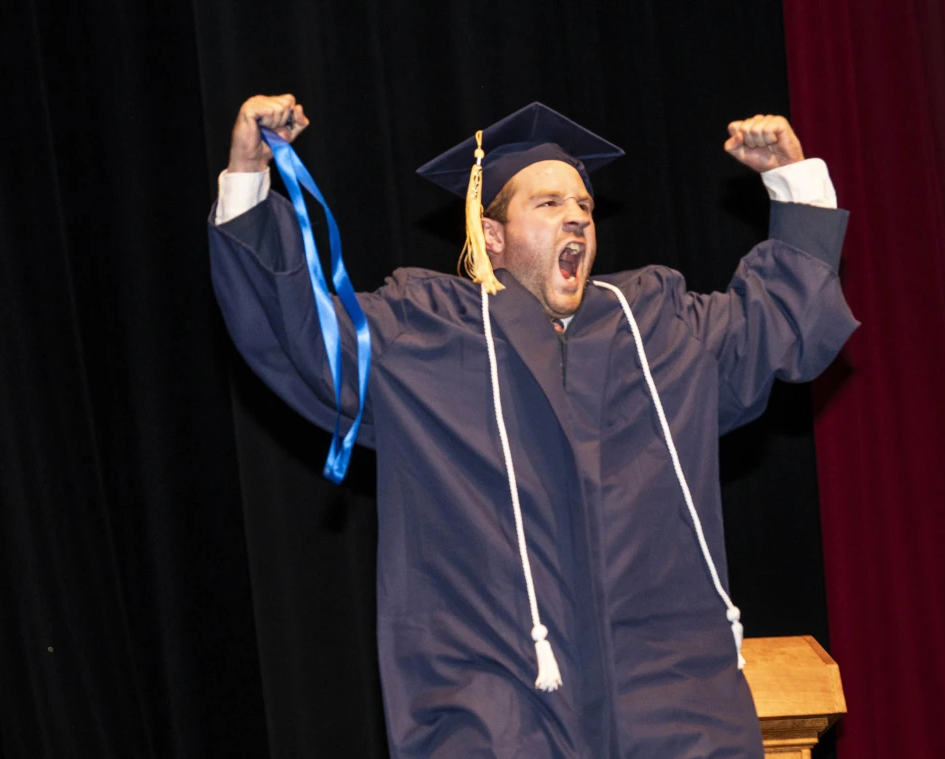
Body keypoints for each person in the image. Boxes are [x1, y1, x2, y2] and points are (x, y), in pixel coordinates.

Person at [209, 93, 857, 758]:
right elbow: (303, 335)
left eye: (584, 206)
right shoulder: (426, 331)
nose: (576, 217)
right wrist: (250, 174)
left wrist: (792, 177)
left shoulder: (654, 325)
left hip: (667, 707)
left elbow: (778, 326)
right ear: (492, 235)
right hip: (501, 710)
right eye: (548, 204)